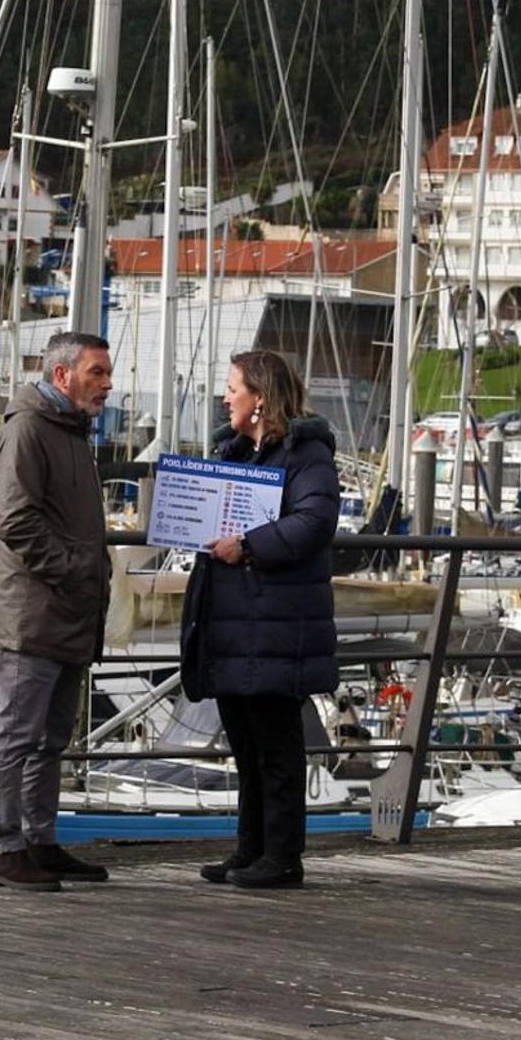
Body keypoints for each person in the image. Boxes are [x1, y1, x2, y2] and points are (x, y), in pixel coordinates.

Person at [180, 350, 340, 889]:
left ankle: (283, 855)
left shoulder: (306, 452)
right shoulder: (234, 452)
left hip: (275, 619)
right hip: (236, 619)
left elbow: (314, 521)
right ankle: (251, 850)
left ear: (261, 399)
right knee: (246, 744)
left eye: (233, 388)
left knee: (275, 742)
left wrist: (247, 546)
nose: (225, 397)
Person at [0, 330, 114, 890]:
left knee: (51, 735)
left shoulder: (71, 431)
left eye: (108, 374)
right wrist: (74, 569)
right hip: (35, 611)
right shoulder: (30, 429)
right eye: (97, 373)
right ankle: (5, 847)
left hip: (67, 609)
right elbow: (13, 520)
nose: (108, 385)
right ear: (62, 376)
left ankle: (40, 839)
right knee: (17, 732)